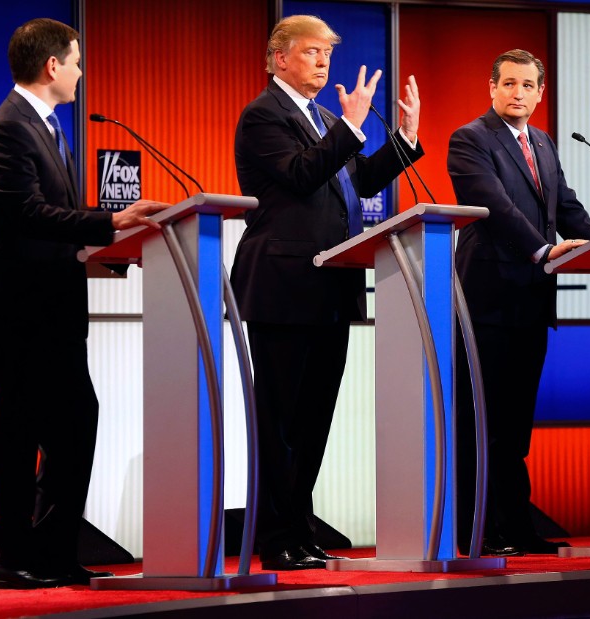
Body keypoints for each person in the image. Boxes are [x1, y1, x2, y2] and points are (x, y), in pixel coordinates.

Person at [0, 18, 168, 589]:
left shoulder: (47, 128)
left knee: (75, 424)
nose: (79, 72)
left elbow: (54, 228)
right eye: (75, 62)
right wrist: (109, 220)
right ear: (53, 66)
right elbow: (25, 215)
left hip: (52, 308)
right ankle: (13, 559)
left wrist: (121, 247)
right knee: (17, 433)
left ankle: (51, 551)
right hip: (16, 311)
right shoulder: (10, 130)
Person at [229, 14, 423, 571]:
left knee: (315, 419)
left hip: (331, 285)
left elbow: (355, 179)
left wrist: (403, 139)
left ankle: (299, 527)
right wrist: (351, 125)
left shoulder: (317, 117)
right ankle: (275, 535)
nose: (323, 62)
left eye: (327, 54)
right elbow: (300, 175)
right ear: (279, 57)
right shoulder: (264, 115)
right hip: (284, 286)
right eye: (312, 52)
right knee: (281, 420)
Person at [447, 49, 590, 556]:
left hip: (531, 300)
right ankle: (477, 530)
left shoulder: (544, 141)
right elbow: (495, 206)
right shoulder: (470, 139)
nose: (518, 93)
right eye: (508, 83)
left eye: (527, 85)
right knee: (480, 422)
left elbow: (566, 204)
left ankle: (515, 527)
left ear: (539, 92)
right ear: (492, 88)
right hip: (487, 299)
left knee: (515, 426)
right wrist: (544, 248)